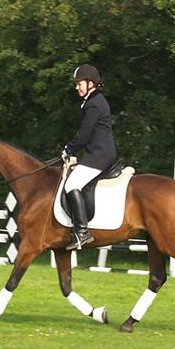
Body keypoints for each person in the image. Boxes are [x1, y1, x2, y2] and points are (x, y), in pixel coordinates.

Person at [60, 64, 117, 250]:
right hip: (97, 153)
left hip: (99, 155)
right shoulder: (92, 101)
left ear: (90, 83)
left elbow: (84, 135)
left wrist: (69, 149)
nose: (77, 87)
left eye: (79, 83)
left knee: (71, 184)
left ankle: (82, 232)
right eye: (76, 84)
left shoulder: (94, 103)